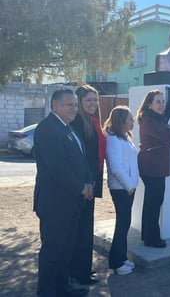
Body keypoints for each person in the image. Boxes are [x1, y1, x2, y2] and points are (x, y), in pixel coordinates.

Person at [34, 89, 92, 297]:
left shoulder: (67, 129)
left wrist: (88, 181)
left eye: (75, 105)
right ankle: (47, 292)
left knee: (66, 251)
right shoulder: (47, 129)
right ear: (55, 106)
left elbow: (81, 161)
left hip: (71, 203)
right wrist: (81, 187)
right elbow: (57, 167)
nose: (74, 109)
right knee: (53, 252)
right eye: (69, 105)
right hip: (55, 204)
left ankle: (62, 288)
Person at [69, 84, 106, 285]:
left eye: (95, 100)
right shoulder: (76, 123)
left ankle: (83, 269)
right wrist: (86, 183)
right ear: (80, 102)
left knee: (86, 228)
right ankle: (79, 273)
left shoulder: (92, 121)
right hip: (84, 185)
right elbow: (79, 158)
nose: (93, 104)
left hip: (92, 181)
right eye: (88, 100)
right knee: (80, 230)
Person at [137, 89, 170, 248]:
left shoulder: (158, 119)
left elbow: (166, 136)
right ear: (149, 104)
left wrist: (168, 129)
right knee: (155, 202)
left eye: (162, 101)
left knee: (152, 202)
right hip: (151, 167)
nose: (161, 105)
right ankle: (153, 238)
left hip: (157, 166)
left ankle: (148, 236)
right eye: (157, 102)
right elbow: (167, 137)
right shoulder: (148, 120)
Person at [104, 106, 138, 275]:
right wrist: (129, 185)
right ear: (121, 121)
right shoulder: (113, 140)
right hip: (121, 189)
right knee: (122, 225)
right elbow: (116, 167)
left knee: (125, 225)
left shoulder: (125, 137)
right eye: (130, 119)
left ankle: (122, 258)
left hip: (128, 188)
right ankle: (116, 263)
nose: (133, 121)